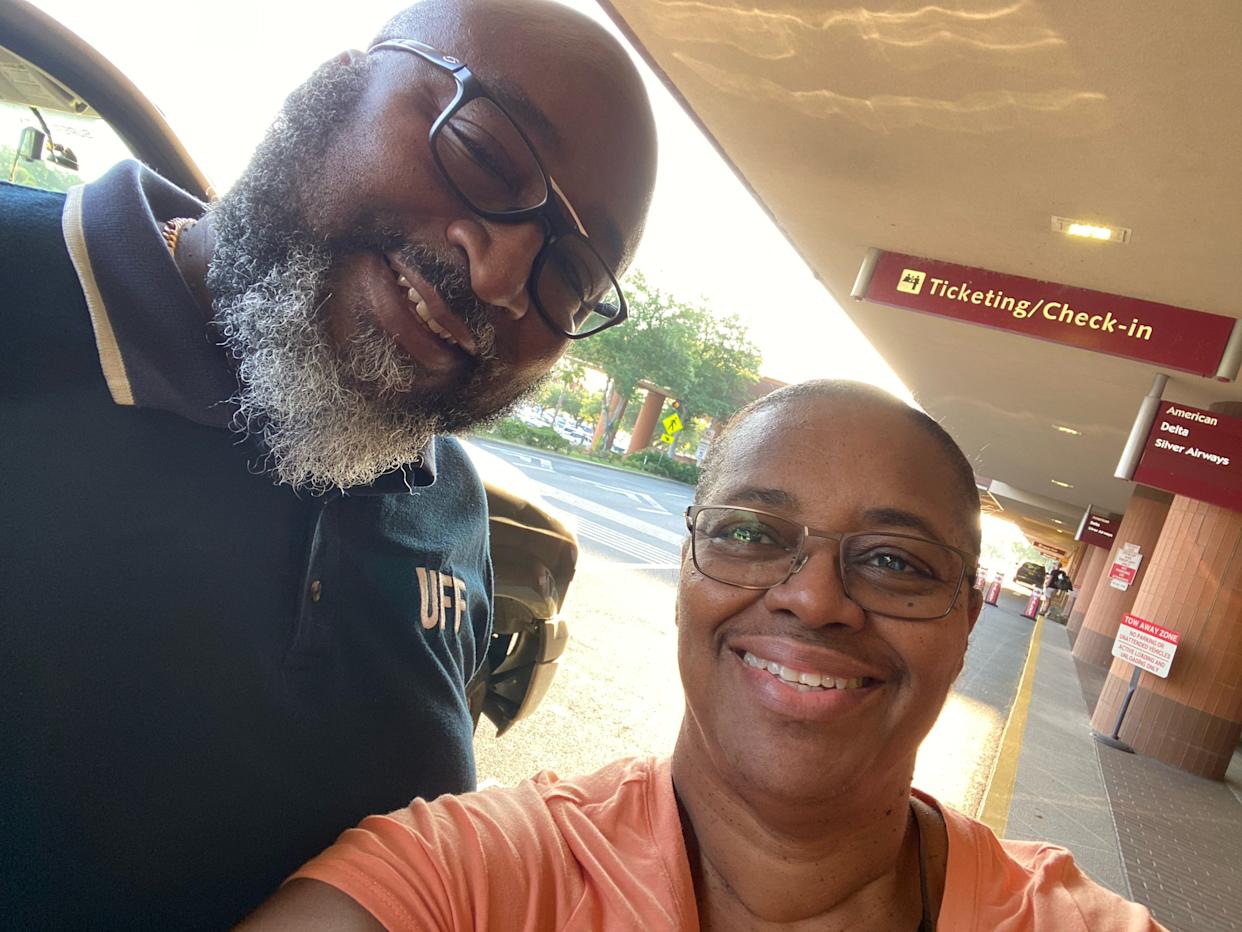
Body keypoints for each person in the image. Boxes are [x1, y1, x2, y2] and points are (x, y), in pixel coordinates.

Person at [0, 0, 656, 927]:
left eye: (571, 275)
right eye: (483, 154)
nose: (502, 276)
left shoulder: (451, 507)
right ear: (335, 86)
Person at [240, 381, 1164, 931]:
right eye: (751, 533)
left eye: (894, 560)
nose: (813, 598)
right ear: (687, 573)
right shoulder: (472, 880)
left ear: (965, 622)